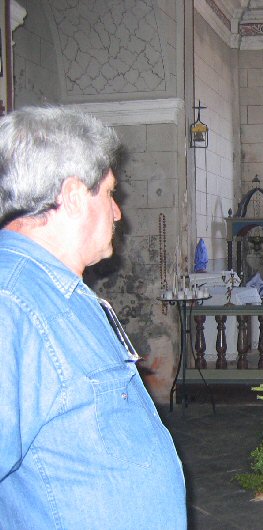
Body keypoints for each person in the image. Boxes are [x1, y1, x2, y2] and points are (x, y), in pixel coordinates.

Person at [0, 106, 187, 528]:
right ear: (72, 196)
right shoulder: (11, 304)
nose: (118, 212)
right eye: (108, 194)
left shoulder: (62, 290)